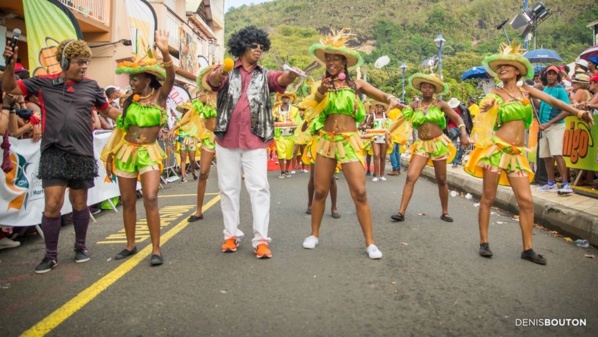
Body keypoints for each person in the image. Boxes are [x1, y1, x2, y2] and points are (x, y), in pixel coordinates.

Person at [465, 42, 593, 265]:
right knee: (488, 198)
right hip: (497, 151)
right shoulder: (495, 93)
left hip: (517, 154)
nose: (503, 68)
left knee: (526, 201)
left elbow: (553, 101)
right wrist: (486, 108)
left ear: (518, 71)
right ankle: (484, 242)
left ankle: (528, 248)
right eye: (500, 66)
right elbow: (487, 105)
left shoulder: (527, 91)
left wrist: (578, 113)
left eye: (508, 66)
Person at [2, 39, 121, 273]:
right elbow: (10, 87)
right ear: (66, 62)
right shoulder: (43, 83)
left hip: (83, 155)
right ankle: (51, 255)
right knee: (52, 205)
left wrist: (134, 117)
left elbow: (109, 111)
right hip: (53, 153)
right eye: (80, 62)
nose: (85, 66)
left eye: (87, 62)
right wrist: (9, 65)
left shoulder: (92, 86)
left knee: (79, 203)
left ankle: (80, 247)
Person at [302, 28, 402, 259]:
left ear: (344, 61)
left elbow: (382, 96)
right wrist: (320, 94)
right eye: (328, 59)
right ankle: (314, 235)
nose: (330, 62)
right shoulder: (320, 85)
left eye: (335, 58)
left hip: (349, 141)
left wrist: (391, 98)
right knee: (320, 191)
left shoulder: (356, 84)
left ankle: (370, 243)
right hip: (326, 141)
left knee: (359, 192)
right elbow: (313, 105)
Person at [206, 26, 302, 258]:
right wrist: (220, 74)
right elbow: (212, 82)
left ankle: (261, 240)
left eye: (261, 47)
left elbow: (281, 79)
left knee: (259, 188)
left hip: (256, 139)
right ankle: (231, 235)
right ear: (242, 47)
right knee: (228, 189)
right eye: (253, 46)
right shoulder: (227, 70)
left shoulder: (264, 74)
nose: (258, 51)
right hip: (226, 138)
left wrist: (292, 74)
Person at [102, 30, 174, 266]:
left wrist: (164, 51)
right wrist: (111, 155)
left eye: (135, 78)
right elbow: (120, 128)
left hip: (149, 151)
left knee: (151, 197)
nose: (131, 82)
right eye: (130, 78)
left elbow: (170, 77)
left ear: (147, 79)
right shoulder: (127, 101)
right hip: (127, 152)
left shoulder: (159, 97)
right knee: (128, 200)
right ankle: (131, 244)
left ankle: (156, 248)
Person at [390, 73, 470, 223]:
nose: (427, 89)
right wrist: (388, 131)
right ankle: (401, 212)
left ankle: (445, 212)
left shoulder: (441, 104)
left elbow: (458, 118)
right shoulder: (415, 105)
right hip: (422, 144)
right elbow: (401, 118)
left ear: (435, 90)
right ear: (420, 88)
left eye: (430, 87)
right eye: (424, 86)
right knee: (410, 177)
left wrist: (463, 133)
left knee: (441, 179)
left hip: (438, 144)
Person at [185, 66, 219, 222]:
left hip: (226, 139)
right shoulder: (206, 98)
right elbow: (190, 114)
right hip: (209, 138)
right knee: (204, 172)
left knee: (229, 177)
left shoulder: (230, 97)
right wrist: (175, 127)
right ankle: (198, 211)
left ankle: (231, 211)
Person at [535, 65, 573, 194]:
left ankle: (565, 183)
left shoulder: (560, 90)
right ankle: (550, 183)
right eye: (549, 73)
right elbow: (541, 107)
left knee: (557, 154)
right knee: (546, 156)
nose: (551, 76)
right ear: (545, 75)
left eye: (554, 73)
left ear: (558, 76)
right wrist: (532, 97)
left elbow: (566, 110)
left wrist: (549, 123)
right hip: (544, 127)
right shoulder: (545, 89)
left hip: (555, 126)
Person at [169, 102, 198, 183]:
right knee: (183, 158)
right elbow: (176, 130)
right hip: (182, 139)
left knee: (192, 159)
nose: (186, 111)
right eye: (185, 110)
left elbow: (197, 129)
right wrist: (175, 139)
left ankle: (193, 171)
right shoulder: (179, 120)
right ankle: (183, 176)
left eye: (187, 110)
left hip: (191, 139)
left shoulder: (193, 120)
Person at [272, 92, 298, 178]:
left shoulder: (294, 109)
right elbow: (274, 120)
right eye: (283, 98)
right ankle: (282, 171)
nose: (285, 99)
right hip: (280, 134)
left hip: (290, 134)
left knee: (289, 153)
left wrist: (292, 121)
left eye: (287, 98)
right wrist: (277, 117)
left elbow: (297, 122)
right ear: (281, 99)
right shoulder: (276, 109)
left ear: (289, 99)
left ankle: (287, 170)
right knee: (280, 153)